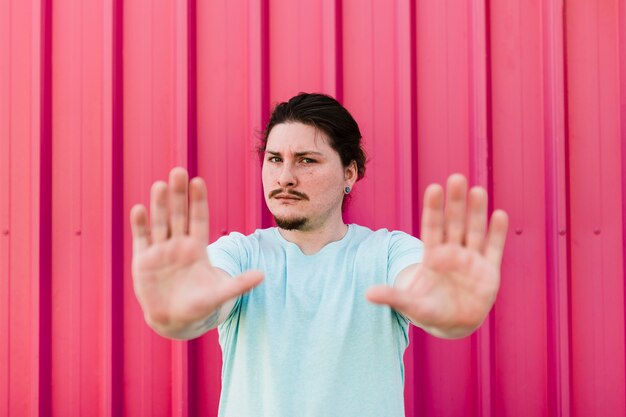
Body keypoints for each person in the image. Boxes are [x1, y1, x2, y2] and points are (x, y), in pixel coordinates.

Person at [129, 93, 509, 417]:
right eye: (275, 159)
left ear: (350, 173)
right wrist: (179, 316)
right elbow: (203, 302)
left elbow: (422, 286)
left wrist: (445, 310)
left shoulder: (388, 252)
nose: (285, 177)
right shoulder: (239, 254)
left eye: (307, 160)